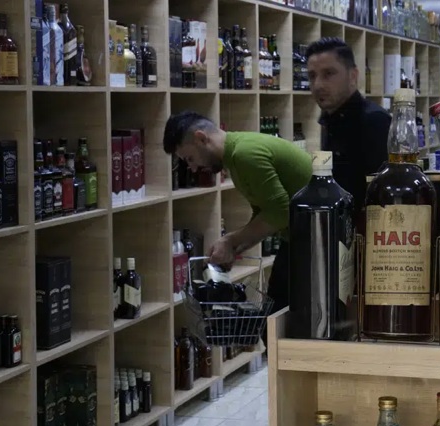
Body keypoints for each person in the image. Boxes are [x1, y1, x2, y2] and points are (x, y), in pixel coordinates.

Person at [163, 111, 312, 315]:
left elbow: (280, 212)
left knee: (277, 326)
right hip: (301, 240)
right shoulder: (237, 155)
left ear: (201, 138)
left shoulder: (244, 155)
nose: (194, 168)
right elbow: (266, 215)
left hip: (315, 245)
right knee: (272, 323)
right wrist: (235, 248)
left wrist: (230, 240)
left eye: (190, 158)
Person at [306, 37, 391, 211]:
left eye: (328, 74)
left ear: (353, 76)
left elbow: (384, 196)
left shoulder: (374, 121)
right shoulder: (330, 119)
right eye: (312, 76)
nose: (318, 85)